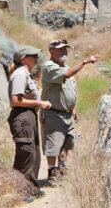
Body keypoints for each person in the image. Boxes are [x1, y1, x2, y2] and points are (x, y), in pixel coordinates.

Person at [40, 39, 99, 184]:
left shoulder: (65, 67)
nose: (64, 51)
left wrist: (72, 107)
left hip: (66, 113)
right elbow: (66, 75)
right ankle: (52, 174)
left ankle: (61, 169)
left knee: (67, 143)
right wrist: (84, 62)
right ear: (51, 51)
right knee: (53, 145)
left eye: (65, 49)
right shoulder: (49, 67)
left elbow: (68, 90)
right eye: (60, 49)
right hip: (54, 113)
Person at [8, 46, 51, 201]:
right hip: (23, 116)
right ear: (24, 59)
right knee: (26, 154)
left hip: (28, 116)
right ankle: (20, 192)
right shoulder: (20, 74)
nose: (36, 59)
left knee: (33, 153)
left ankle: (31, 189)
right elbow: (16, 100)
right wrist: (39, 102)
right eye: (33, 56)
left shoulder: (25, 74)